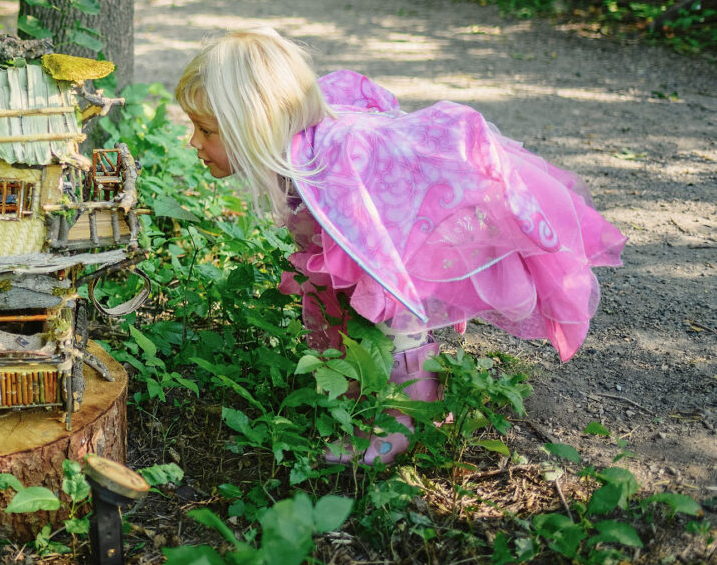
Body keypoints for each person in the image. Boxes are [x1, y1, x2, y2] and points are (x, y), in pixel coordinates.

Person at [175, 28, 626, 465]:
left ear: (254, 125)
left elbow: (380, 260)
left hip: (417, 222)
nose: (194, 142)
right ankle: (360, 390)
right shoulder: (295, 160)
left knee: (390, 307)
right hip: (389, 220)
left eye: (206, 130)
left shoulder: (328, 163)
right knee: (349, 298)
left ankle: (404, 413)